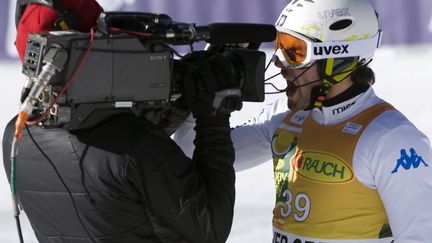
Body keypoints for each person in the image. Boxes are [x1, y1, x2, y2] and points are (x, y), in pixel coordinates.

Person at [174, 0, 432, 242]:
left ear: (338, 56)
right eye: (280, 46)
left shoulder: (393, 140)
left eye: (294, 50)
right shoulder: (285, 117)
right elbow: (190, 152)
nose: (278, 62)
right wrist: (201, 99)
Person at [3, 1, 240, 242]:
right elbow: (211, 226)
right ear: (89, 50)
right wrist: (213, 119)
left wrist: (179, 105)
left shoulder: (16, 135)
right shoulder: (136, 148)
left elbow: (110, 166)